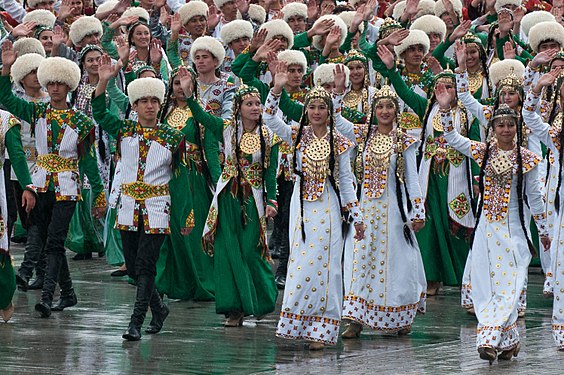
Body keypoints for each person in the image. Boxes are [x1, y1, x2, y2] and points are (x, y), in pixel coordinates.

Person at [437, 84, 549, 363]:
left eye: (511, 125)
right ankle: (497, 338)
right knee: (488, 285)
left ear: (517, 128)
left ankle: (494, 337)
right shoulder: (482, 152)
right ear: (493, 128)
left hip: (514, 231)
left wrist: (544, 230)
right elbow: (451, 137)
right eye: (500, 125)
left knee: (511, 285)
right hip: (487, 229)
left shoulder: (528, 159)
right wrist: (445, 108)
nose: (506, 130)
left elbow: (535, 197)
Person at [0, 43, 106, 318]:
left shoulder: (82, 122)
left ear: (69, 86)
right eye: (52, 83)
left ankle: (47, 298)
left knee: (55, 241)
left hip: (68, 187)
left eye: (61, 83)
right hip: (41, 182)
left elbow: (88, 161)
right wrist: (7, 69)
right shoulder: (38, 112)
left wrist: (98, 192)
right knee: (48, 237)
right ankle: (68, 293)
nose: (56, 88)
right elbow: (6, 99)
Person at [264, 62, 365, 350]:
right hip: (302, 206)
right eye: (312, 107)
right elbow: (270, 119)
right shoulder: (297, 135)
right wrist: (277, 87)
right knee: (301, 263)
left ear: (329, 111)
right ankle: (299, 322)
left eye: (322, 107)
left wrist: (356, 216)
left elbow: (346, 180)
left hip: (329, 207)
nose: (317, 112)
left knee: (328, 266)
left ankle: (322, 328)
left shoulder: (341, 142)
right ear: (306, 111)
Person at [93, 55, 189, 341]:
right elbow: (99, 111)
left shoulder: (173, 137)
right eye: (143, 101)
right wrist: (104, 80)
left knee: (146, 265)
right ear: (133, 106)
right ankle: (158, 309)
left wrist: (185, 216)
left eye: (154, 101)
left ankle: (135, 322)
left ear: (161, 104)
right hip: (128, 207)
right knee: (134, 268)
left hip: (158, 208)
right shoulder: (124, 130)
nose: (149, 106)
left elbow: (181, 181)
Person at [332, 67, 427, 338]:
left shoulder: (404, 139)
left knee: (398, 261)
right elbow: (337, 121)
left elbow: (412, 178)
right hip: (364, 210)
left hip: (393, 211)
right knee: (358, 259)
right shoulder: (362, 135)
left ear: (396, 110)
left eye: (389, 107)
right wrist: (339, 91)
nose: (385, 111)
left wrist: (418, 211)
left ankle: (399, 314)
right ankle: (355, 318)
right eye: (380, 106)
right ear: (373, 110)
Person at [181, 68, 279, 327]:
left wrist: (272, 202)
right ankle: (233, 308)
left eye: (258, 103)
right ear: (238, 107)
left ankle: (259, 300)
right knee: (227, 251)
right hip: (227, 197)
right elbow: (202, 117)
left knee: (250, 250)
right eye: (249, 104)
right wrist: (190, 95)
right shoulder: (226, 128)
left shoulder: (269, 138)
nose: (256, 108)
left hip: (253, 200)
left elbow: (270, 174)